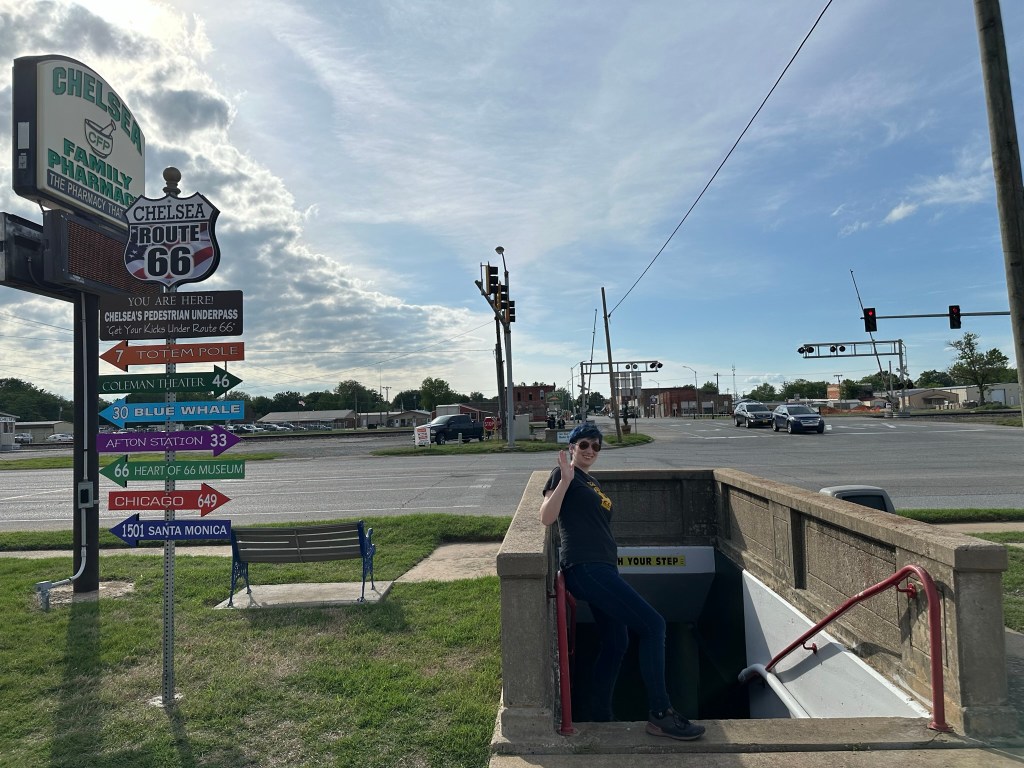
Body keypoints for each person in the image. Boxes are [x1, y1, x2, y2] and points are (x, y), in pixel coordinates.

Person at [538, 423, 705, 741]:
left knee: (617, 643)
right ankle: (660, 714)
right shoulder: (563, 474)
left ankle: (599, 714)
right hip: (585, 568)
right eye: (584, 444)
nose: (590, 450)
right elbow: (546, 516)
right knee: (654, 625)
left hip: (603, 568)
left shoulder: (592, 481)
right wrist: (566, 481)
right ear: (572, 447)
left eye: (596, 446)